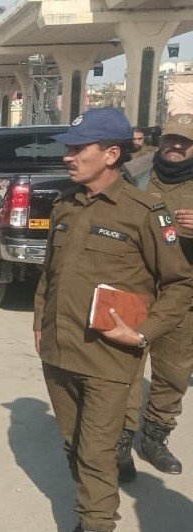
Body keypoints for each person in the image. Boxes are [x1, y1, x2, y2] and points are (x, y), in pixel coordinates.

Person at [33, 107, 193, 532]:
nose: (68, 157)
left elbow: (179, 283)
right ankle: (90, 511)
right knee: (74, 447)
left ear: (111, 154)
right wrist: (39, 323)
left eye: (78, 149)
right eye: (68, 149)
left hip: (108, 358)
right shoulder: (65, 204)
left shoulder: (144, 212)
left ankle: (95, 523)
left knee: (97, 455)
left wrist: (143, 334)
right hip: (59, 351)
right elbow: (49, 273)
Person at [119, 113, 193, 479]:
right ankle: (120, 441)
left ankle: (155, 438)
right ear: (160, 141)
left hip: (182, 294)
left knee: (174, 373)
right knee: (126, 368)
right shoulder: (136, 174)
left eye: (185, 142)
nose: (176, 146)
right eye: (171, 139)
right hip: (136, 287)